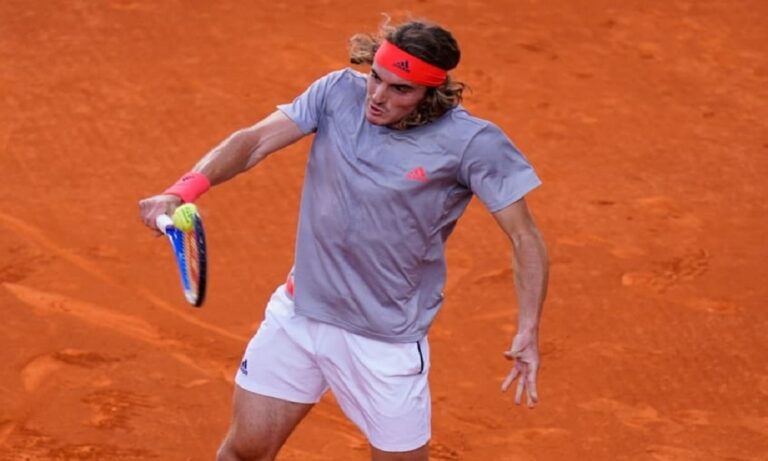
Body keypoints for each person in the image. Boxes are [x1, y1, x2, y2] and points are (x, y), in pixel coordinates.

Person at [139, 18, 548, 461]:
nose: (378, 96)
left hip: (383, 342)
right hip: (299, 315)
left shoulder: (472, 143)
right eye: (376, 77)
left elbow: (524, 237)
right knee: (243, 453)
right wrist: (181, 191)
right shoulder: (337, 93)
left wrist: (528, 329)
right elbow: (254, 142)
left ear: (431, 93)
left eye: (400, 89)